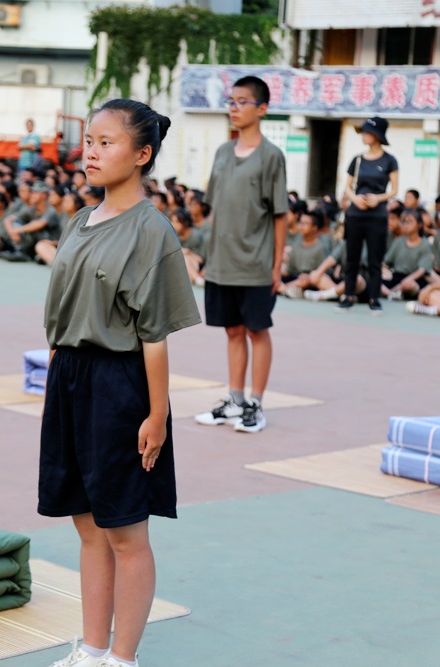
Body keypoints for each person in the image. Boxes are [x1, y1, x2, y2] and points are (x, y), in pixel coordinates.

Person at [40, 98, 201, 667]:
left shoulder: (153, 232)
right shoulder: (81, 220)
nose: (91, 151)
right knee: (87, 528)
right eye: (90, 140)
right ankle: (91, 649)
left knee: (126, 532)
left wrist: (156, 416)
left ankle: (122, 658)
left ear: (142, 155)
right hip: (70, 379)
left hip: (119, 386)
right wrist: (55, 391)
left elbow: (154, 337)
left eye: (106, 142)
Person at [195, 75, 287, 433]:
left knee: (256, 330)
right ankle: (234, 400)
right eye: (230, 101)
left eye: (241, 101)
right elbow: (214, 208)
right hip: (221, 262)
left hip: (256, 264)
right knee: (232, 331)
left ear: (261, 109)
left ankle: (256, 405)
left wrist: (277, 266)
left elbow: (280, 214)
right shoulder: (221, 153)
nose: (233, 108)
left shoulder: (271, 157)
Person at [338, 116, 399, 313]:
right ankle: (348, 295)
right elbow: (347, 186)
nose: (363, 135)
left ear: (377, 135)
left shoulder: (390, 160)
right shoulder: (357, 160)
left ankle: (374, 298)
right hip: (355, 214)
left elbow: (394, 190)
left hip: (377, 215)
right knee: (352, 257)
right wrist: (354, 199)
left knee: (375, 258)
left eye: (367, 132)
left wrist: (379, 198)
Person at [381, 208, 432, 300]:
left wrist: (406, 281)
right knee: (375, 280)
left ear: (419, 225)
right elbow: (387, 262)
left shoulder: (425, 244)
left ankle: (394, 293)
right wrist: (384, 270)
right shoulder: (399, 241)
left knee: (408, 285)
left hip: (414, 278)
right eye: (403, 222)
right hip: (396, 276)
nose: (405, 225)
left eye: (409, 222)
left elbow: (422, 270)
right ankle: (391, 294)